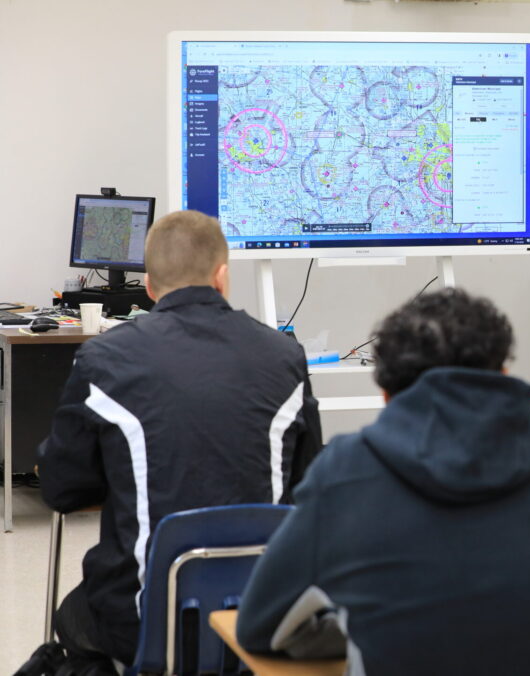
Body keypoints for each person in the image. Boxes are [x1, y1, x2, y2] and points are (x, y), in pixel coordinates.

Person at [236, 288, 530, 676]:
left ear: (386, 395)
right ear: (502, 373)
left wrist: (353, 629)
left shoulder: (348, 471)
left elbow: (261, 624)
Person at [32, 210, 323, 672]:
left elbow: (62, 490)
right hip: (261, 616)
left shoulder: (103, 358)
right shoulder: (285, 355)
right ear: (222, 277)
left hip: (141, 624)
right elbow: (307, 485)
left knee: (73, 615)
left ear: (149, 286)